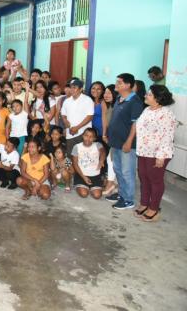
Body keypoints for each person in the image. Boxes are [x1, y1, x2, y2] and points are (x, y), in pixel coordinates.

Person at [135, 85, 176, 222]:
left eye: (149, 94)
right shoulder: (147, 110)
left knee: (155, 180)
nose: (146, 96)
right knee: (144, 177)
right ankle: (144, 203)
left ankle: (154, 208)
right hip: (143, 151)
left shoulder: (166, 114)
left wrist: (161, 155)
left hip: (157, 153)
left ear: (158, 98)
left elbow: (167, 135)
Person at [106, 73, 144, 210]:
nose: (116, 84)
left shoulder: (135, 102)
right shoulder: (119, 99)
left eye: (120, 82)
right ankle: (121, 194)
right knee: (118, 170)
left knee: (127, 172)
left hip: (127, 144)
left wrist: (129, 142)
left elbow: (135, 125)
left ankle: (128, 200)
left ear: (128, 85)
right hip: (116, 142)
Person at [61, 78, 94, 155]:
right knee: (69, 157)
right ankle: (69, 167)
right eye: (71, 87)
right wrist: (65, 121)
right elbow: (63, 114)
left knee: (82, 157)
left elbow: (90, 117)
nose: (72, 90)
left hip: (83, 134)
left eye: (74, 87)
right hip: (70, 134)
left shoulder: (87, 100)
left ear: (81, 89)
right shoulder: (67, 101)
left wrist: (77, 127)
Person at [71, 128, 105, 199]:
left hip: (95, 175)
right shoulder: (77, 147)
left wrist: (101, 160)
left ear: (94, 138)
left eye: (91, 136)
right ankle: (83, 186)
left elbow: (103, 152)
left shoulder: (97, 145)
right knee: (84, 194)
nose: (88, 138)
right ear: (82, 136)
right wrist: (83, 177)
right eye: (86, 135)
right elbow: (75, 163)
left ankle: (92, 188)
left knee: (97, 196)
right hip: (81, 174)